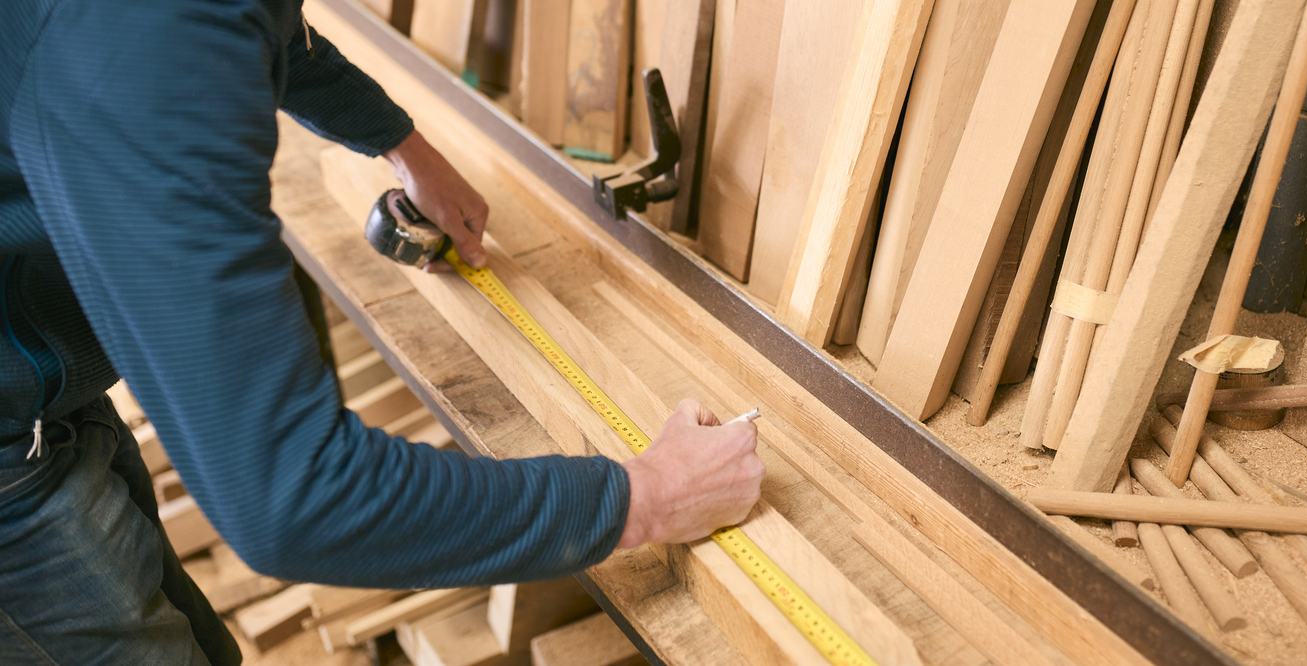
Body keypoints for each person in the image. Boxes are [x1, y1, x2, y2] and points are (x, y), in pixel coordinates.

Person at [0, 2, 764, 663]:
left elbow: (262, 27)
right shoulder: (138, 47)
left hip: (37, 382)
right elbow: (293, 497)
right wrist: (646, 497)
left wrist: (401, 144)